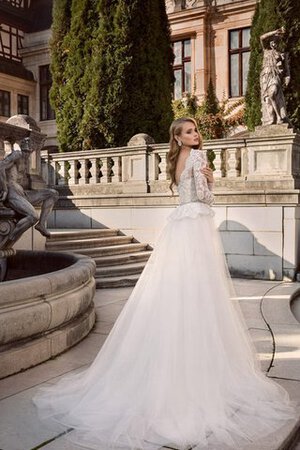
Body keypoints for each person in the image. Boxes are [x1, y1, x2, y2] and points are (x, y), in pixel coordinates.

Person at [33, 118, 295, 450]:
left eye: (196, 130)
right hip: (196, 226)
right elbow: (204, 198)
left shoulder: (176, 161)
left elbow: (185, 195)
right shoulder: (198, 158)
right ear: (177, 137)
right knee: (200, 294)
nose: (196, 135)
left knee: (176, 291)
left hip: (180, 228)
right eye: (189, 131)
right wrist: (211, 182)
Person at [0, 137, 58, 247]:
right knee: (33, 216)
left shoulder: (26, 160)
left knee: (53, 194)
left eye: (30, 150)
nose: (28, 152)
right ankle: (7, 242)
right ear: (22, 147)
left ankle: (41, 225)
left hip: (22, 193)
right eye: (27, 149)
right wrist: (5, 189)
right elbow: (0, 167)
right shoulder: (17, 154)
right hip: (12, 192)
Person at [260, 27, 290, 126]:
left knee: (272, 93)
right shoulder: (266, 51)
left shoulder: (282, 54)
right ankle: (273, 118)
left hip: (275, 75)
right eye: (272, 42)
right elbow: (262, 38)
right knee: (267, 99)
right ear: (270, 43)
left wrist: (287, 76)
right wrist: (275, 32)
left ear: (278, 44)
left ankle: (279, 116)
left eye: (275, 42)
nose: (273, 44)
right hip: (265, 75)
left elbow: (286, 67)